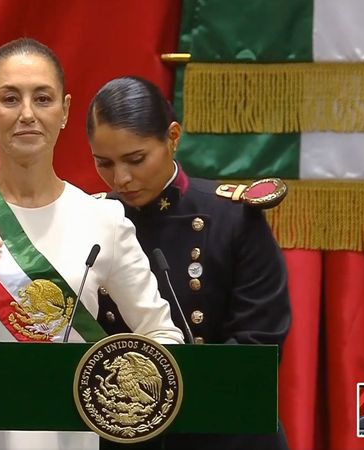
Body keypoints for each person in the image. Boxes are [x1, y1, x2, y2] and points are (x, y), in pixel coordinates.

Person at [0, 40, 184, 450]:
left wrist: (115, 393)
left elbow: (163, 337)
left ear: (64, 111)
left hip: (68, 429)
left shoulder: (104, 221)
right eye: (10, 98)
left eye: (42, 98)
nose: (27, 114)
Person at [85, 76, 292, 449]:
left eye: (136, 159)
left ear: (173, 137)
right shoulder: (90, 220)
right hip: (125, 431)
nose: (122, 178)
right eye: (104, 163)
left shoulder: (231, 217)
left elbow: (259, 342)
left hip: (224, 429)